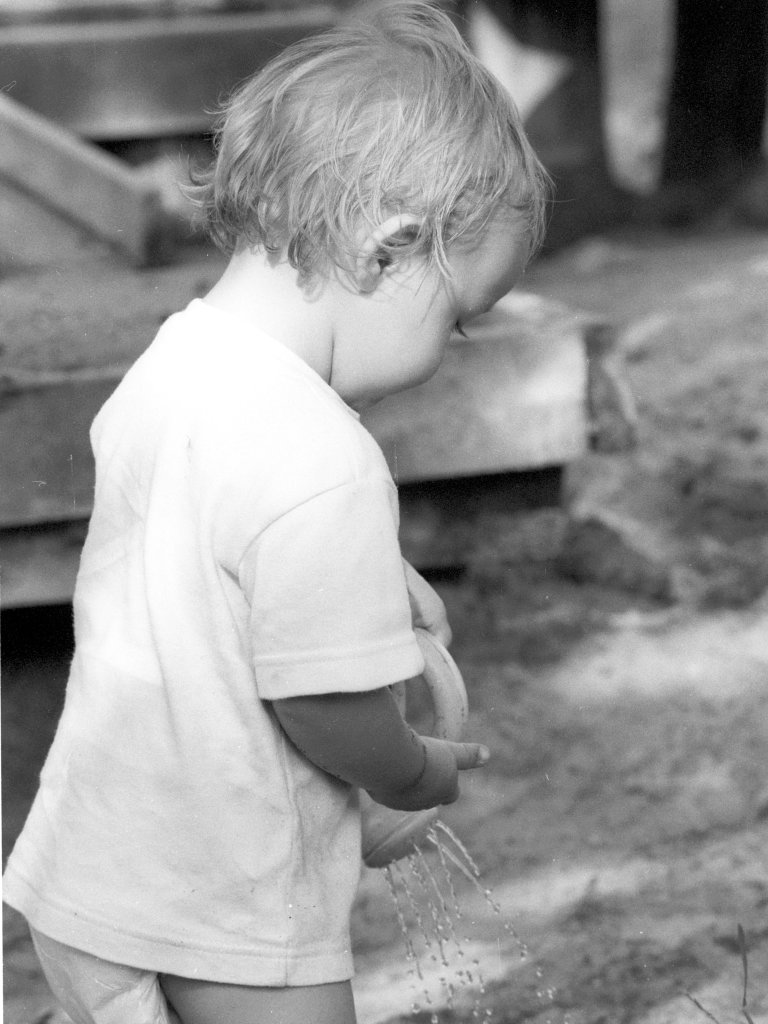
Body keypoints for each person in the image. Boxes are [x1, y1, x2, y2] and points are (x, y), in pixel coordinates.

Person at [2, 3, 549, 1022]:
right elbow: (327, 707)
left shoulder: (175, 363)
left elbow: (204, 541)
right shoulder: (323, 455)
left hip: (92, 870)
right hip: (230, 902)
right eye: (457, 319)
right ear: (389, 252)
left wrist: (363, 571)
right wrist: (411, 769)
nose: (448, 352)